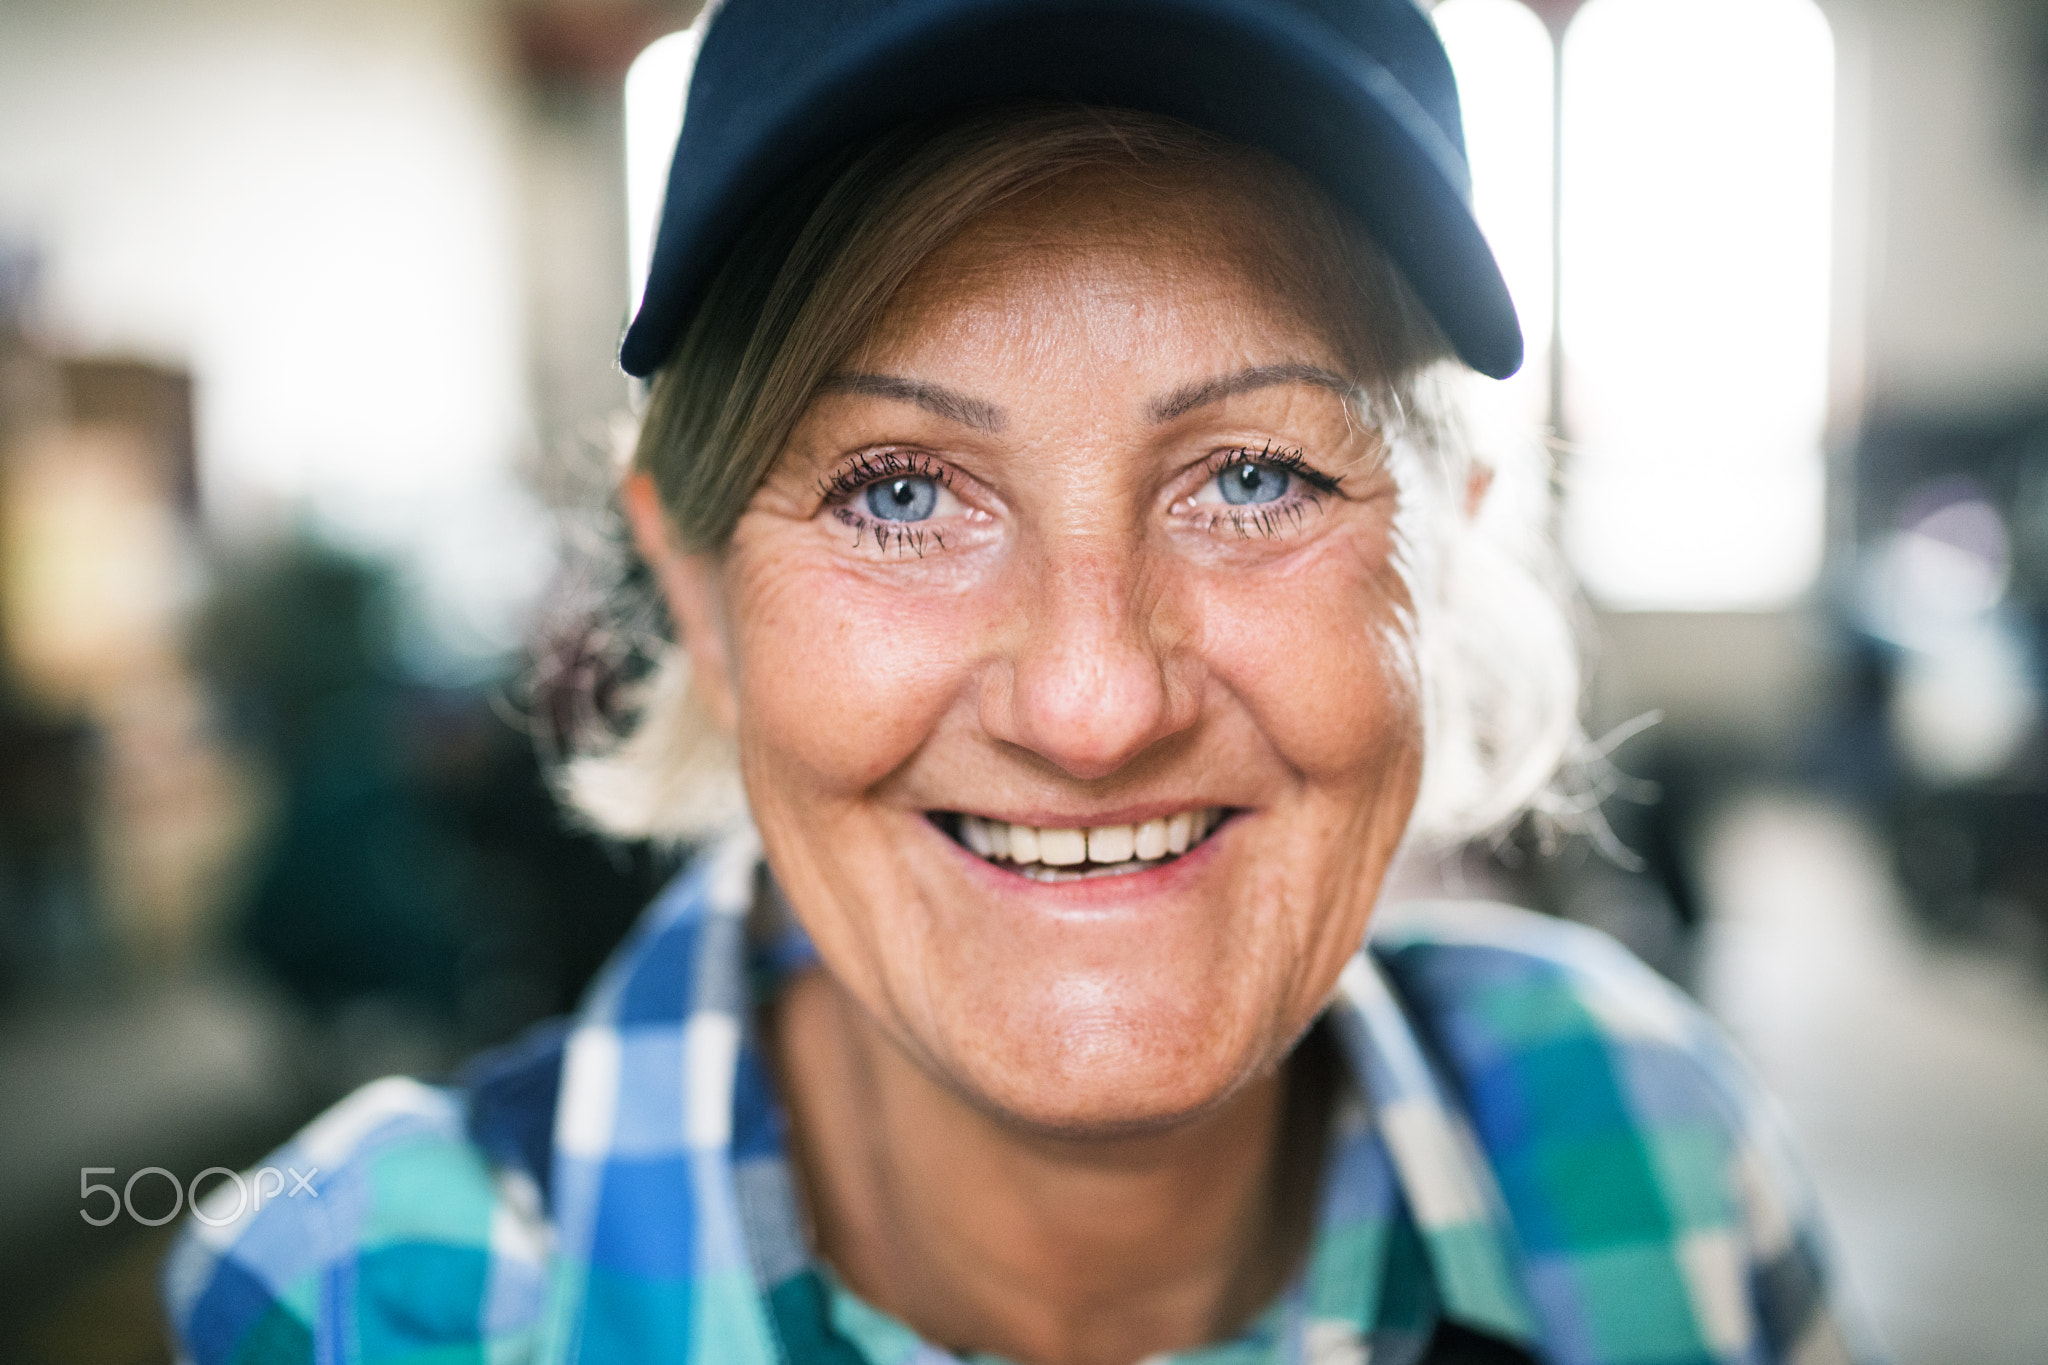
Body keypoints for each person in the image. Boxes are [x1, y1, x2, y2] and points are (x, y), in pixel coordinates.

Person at [164, 2, 1875, 1363]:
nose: (1092, 701)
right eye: (898, 491)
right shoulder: (356, 1294)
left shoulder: (1649, 1142)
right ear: (697, 595)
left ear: (1447, 560)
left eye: (1259, 477)